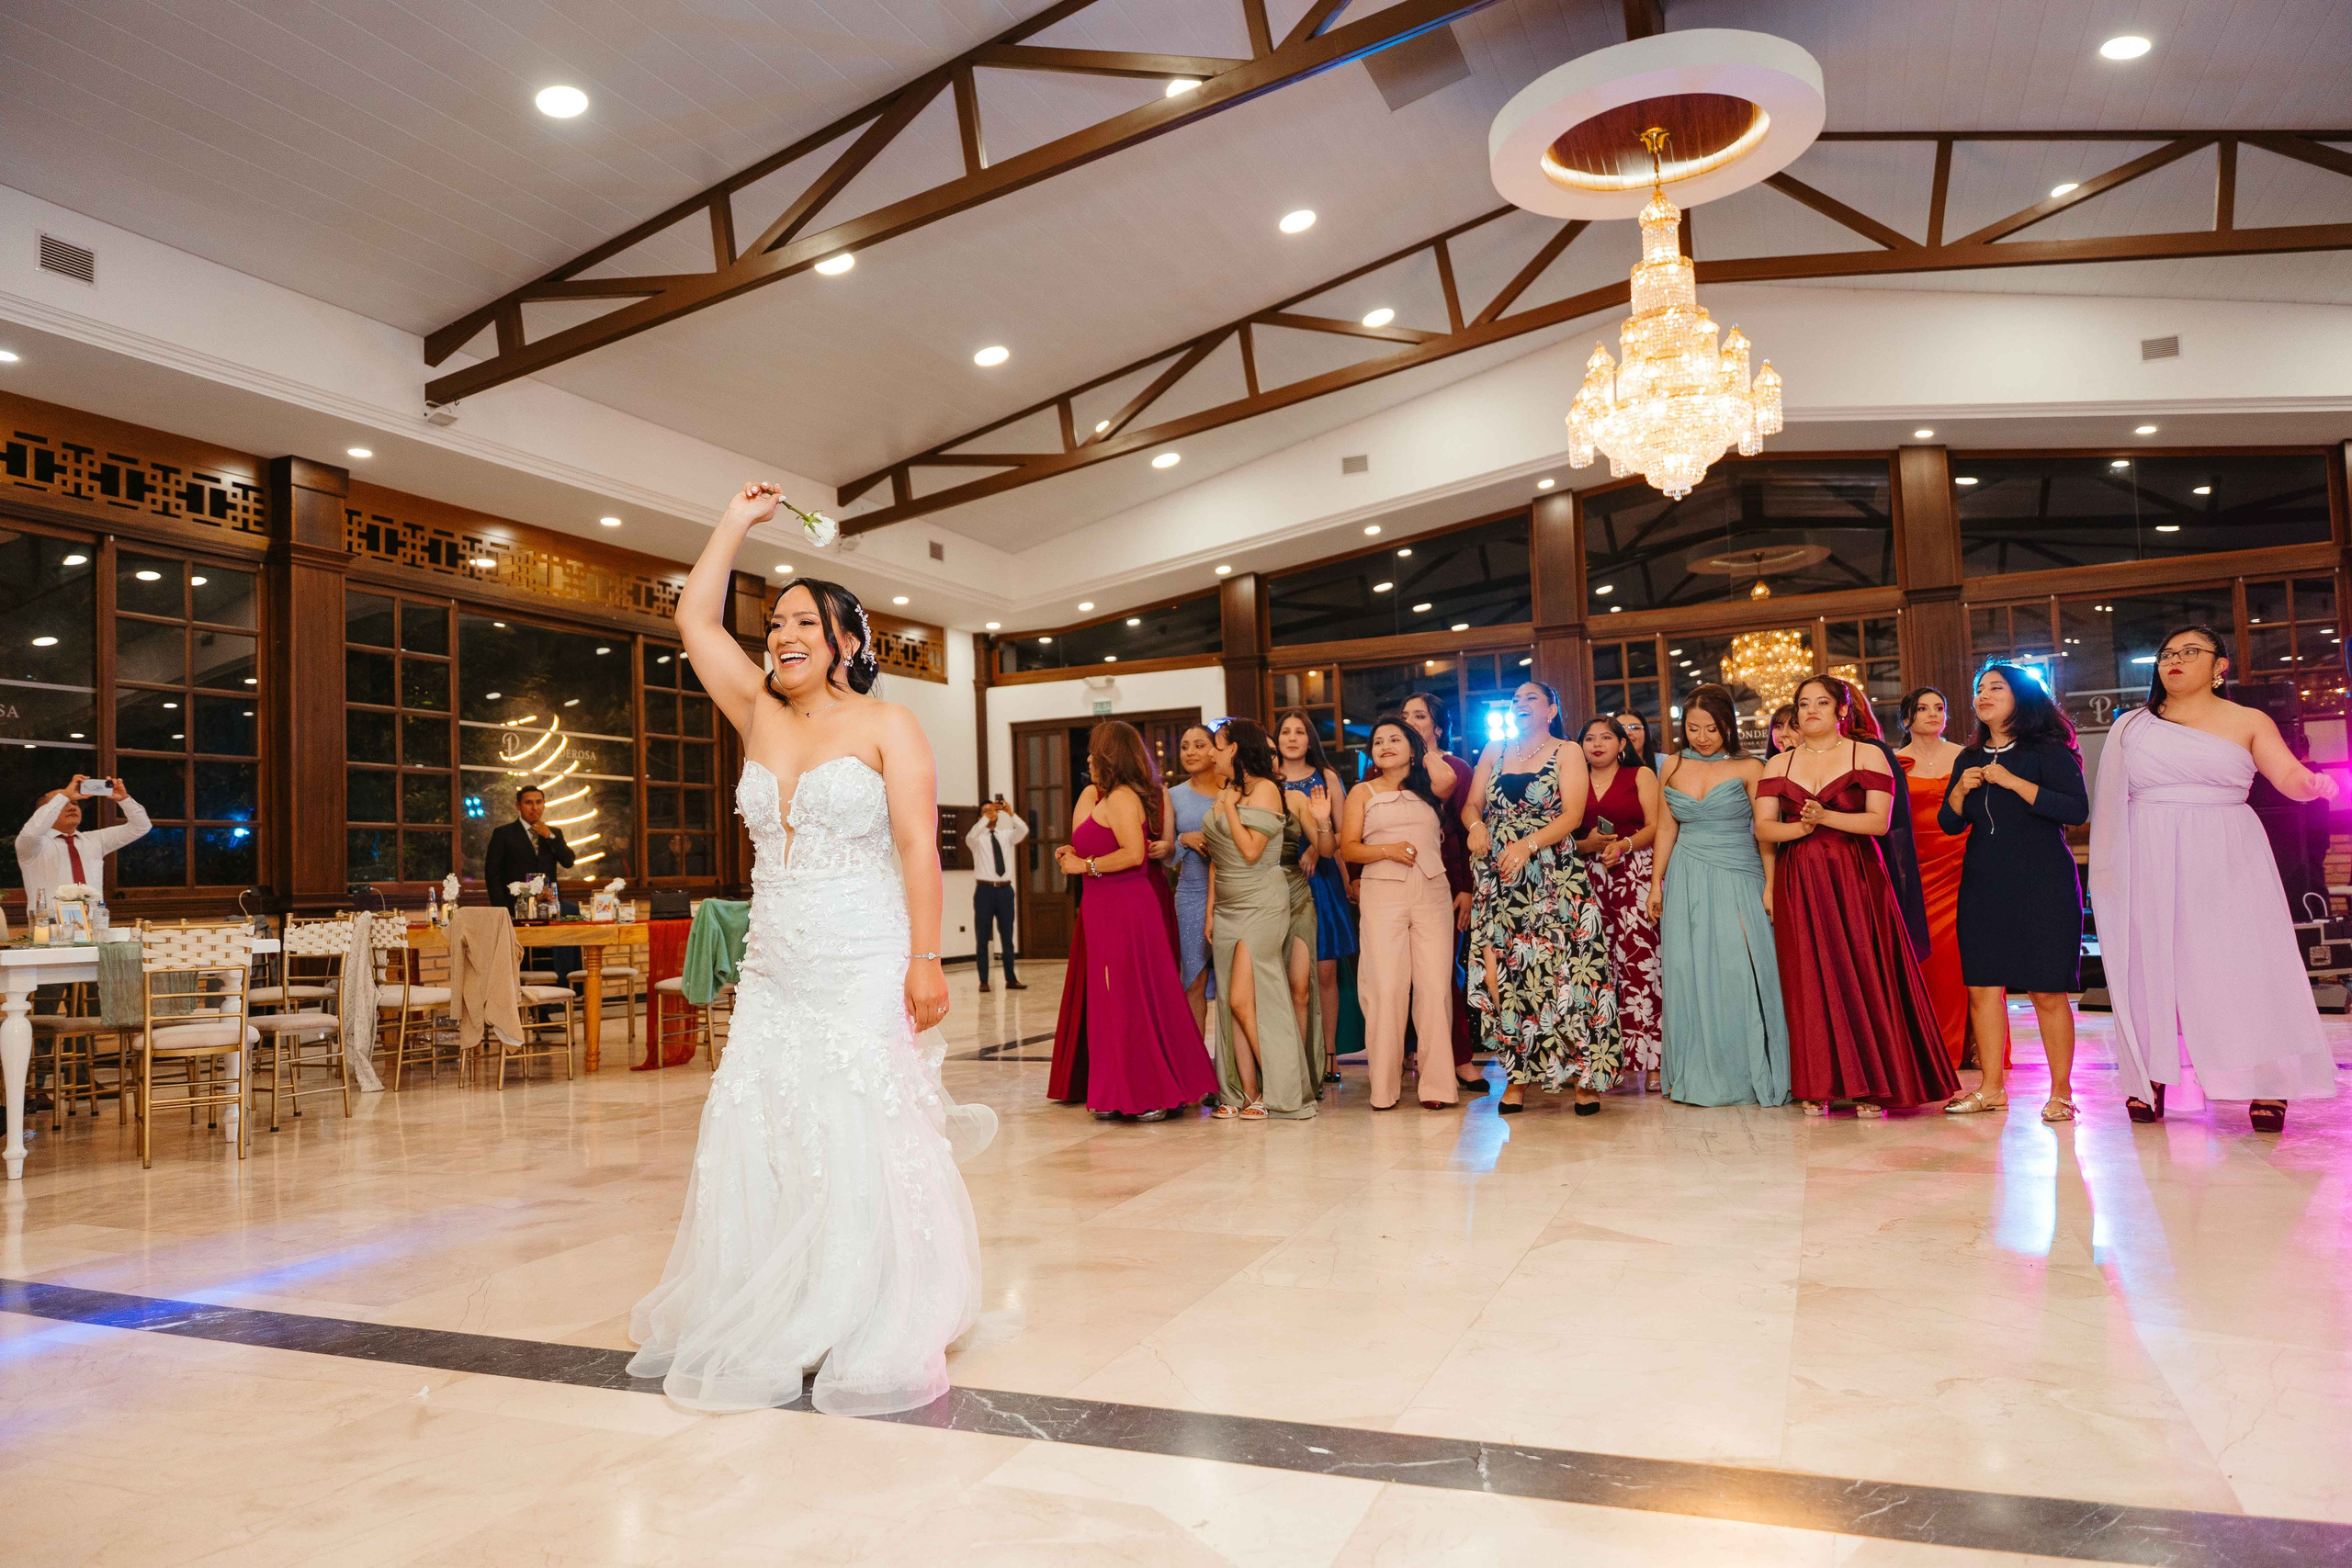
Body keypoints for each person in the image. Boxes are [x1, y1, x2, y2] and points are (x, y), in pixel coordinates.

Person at [628, 482, 989, 1416]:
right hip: (776, 965)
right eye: (775, 622)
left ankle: (869, 1304)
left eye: (802, 622)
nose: (781, 635)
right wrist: (734, 522)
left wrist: (923, 958)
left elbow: (918, 845)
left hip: (864, 957)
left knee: (855, 1122)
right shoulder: (756, 712)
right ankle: (779, 1298)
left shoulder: (885, 726)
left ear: (846, 643)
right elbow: (691, 615)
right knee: (764, 1124)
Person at [2089, 624, 2341, 1134]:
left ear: (2220, 666)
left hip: (2227, 848)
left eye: (2189, 652)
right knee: (2152, 960)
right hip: (2149, 849)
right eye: (2166, 654)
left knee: (2244, 959)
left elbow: (2286, 777)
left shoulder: (2247, 719)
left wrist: (2312, 783)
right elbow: (2110, 804)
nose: (2173, 660)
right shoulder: (2131, 726)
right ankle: (2149, 1075)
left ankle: (2267, 1081)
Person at [1756, 676, 1959, 1115]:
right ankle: (1818, 1082)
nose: (1811, 710)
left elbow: (1878, 824)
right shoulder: (1778, 765)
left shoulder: (1865, 753)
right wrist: (1802, 829)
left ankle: (1876, 1085)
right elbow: (1764, 829)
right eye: (1804, 703)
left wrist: (1824, 816)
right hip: (1801, 877)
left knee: (1866, 970)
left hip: (1856, 875)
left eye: (1821, 702)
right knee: (1808, 975)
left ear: (1841, 710)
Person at [1047, 722, 1220, 1122]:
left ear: (1110, 755)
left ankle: (1152, 1091)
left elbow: (1133, 855)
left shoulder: (1124, 797)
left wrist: (1084, 865)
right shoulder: (1106, 798)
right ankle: (1117, 1090)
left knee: (1132, 997)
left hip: (1126, 905)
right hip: (1103, 906)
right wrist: (1073, 854)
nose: (1088, 758)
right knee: (1111, 1001)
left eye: (1094, 752)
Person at [1938, 665, 2088, 1121]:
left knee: (2047, 990)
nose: (1982, 696)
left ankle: (2060, 1092)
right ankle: (1990, 1089)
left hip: (2044, 881)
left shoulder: (2048, 751)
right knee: (1983, 986)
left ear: (2020, 698)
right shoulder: (1967, 759)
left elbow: (2076, 810)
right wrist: (1960, 793)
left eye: (1994, 688)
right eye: (1978, 690)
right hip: (1984, 881)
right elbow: (1949, 824)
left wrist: (2015, 783)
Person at [1464, 681, 1621, 1115]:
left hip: (1552, 873)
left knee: (1566, 971)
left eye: (1530, 698)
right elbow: (1471, 806)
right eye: (1515, 700)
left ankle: (1584, 1080)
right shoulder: (1494, 749)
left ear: (1552, 709)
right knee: (1506, 974)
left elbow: (1572, 815)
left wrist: (1527, 845)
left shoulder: (1567, 750)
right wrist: (1476, 826)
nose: (1520, 704)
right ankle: (1516, 1077)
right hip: (1499, 878)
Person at [1645, 686, 1789, 1107]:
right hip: (1686, 873)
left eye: (1711, 728)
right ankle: (1695, 1070)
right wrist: (1657, 882)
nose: (1703, 737)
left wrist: (1770, 885)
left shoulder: (1751, 767)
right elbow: (1666, 826)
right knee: (1687, 971)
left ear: (1728, 725)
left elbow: (1766, 835)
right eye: (1693, 728)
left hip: (1738, 873)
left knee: (1739, 969)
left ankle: (1745, 1073)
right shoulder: (1671, 764)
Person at [1340, 716, 1457, 1111]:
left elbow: (1449, 780)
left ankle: (1438, 1086)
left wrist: (1425, 753)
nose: (1385, 745)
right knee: (1387, 989)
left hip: (1432, 891)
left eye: (1395, 739)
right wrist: (1386, 850)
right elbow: (1349, 848)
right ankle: (1384, 1087)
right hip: (1382, 892)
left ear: (1413, 747)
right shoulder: (1362, 791)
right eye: (1378, 741)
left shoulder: (1432, 787)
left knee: (1435, 989)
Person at [1204, 718, 1318, 1120]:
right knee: (1232, 1005)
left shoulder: (1268, 789)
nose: (1211, 754)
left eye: (1216, 746)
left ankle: (1284, 1085)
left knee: (1242, 998)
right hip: (1228, 905)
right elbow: (1217, 856)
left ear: (1235, 749)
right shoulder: (1230, 789)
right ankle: (1245, 1094)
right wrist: (1210, 910)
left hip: (1262, 903)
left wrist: (1231, 812)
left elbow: (1252, 850)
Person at [1893, 687, 1989, 1074]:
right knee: (1926, 953)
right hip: (1915, 866)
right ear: (1906, 719)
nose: (1933, 714)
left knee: (1963, 954)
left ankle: (1973, 1044)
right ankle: (1930, 1046)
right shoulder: (1895, 762)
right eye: (1923, 709)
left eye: (1940, 708)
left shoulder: (1964, 757)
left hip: (1961, 859)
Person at [1400, 692, 1487, 1094]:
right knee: (1398, 975)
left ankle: (1460, 1059)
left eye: (1420, 716)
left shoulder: (1456, 768)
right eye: (1405, 716)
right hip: (1394, 883)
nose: (1410, 721)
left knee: (1443, 974)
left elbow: (1468, 830)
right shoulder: (1388, 767)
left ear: (1437, 727)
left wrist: (1467, 888)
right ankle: (1406, 1054)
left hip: (1446, 882)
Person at [1575, 716, 1664, 1091]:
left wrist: (1623, 845)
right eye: (1589, 738)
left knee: (1641, 966)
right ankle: (1607, 1063)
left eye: (1606, 737)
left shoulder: (1640, 775)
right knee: (1597, 969)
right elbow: (1564, 834)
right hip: (1587, 878)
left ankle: (1655, 1062)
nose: (1597, 744)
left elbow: (1657, 825)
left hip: (1635, 872)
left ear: (1621, 744)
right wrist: (1588, 846)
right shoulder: (1572, 782)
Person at [1273, 710, 1354, 1082]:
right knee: (1288, 974)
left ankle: (1329, 1054)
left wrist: (1314, 849)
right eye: (1286, 731)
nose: (1292, 738)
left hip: (1321, 879)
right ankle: (1292, 1053)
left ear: (1310, 740)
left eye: (1300, 732)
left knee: (1325, 971)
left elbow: (1342, 832)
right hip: (1279, 882)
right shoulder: (1267, 781)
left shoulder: (1326, 777)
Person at [1832, 680, 1932, 963]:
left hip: (1869, 858)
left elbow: (1897, 818)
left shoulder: (1872, 750)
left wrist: (1896, 876)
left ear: (1846, 710)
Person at [1165, 724, 1222, 1035]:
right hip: (1190, 894)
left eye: (1199, 745)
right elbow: (1164, 854)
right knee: (1194, 979)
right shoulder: (1173, 795)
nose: (1190, 752)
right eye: (1185, 746)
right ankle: (1196, 1068)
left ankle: (1234, 1070)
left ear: (1217, 750)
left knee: (1233, 982)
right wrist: (1183, 839)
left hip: (1232, 892)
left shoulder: (1232, 790)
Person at [16, 775, 148, 905]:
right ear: (43, 812)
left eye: (74, 803)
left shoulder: (95, 840)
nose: (72, 807)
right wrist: (65, 796)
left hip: (93, 924)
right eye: (62, 804)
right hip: (49, 925)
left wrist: (124, 799)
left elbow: (141, 826)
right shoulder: (31, 845)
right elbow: (32, 832)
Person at [966, 796, 1028, 992]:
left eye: (993, 810)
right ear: (979, 817)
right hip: (985, 891)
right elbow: (971, 835)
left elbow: (1024, 830)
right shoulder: (976, 839)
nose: (991, 813)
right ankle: (984, 980)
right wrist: (986, 817)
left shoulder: (1005, 835)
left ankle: (1011, 979)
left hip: (1005, 891)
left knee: (1007, 937)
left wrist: (1011, 813)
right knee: (982, 938)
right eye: (985, 811)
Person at [483, 785, 575, 914]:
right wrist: (501, 908)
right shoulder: (504, 833)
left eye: (539, 802)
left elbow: (568, 861)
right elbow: (492, 873)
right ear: (518, 805)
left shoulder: (554, 833)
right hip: (515, 905)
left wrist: (549, 836)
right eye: (528, 803)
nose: (535, 807)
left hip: (549, 904)